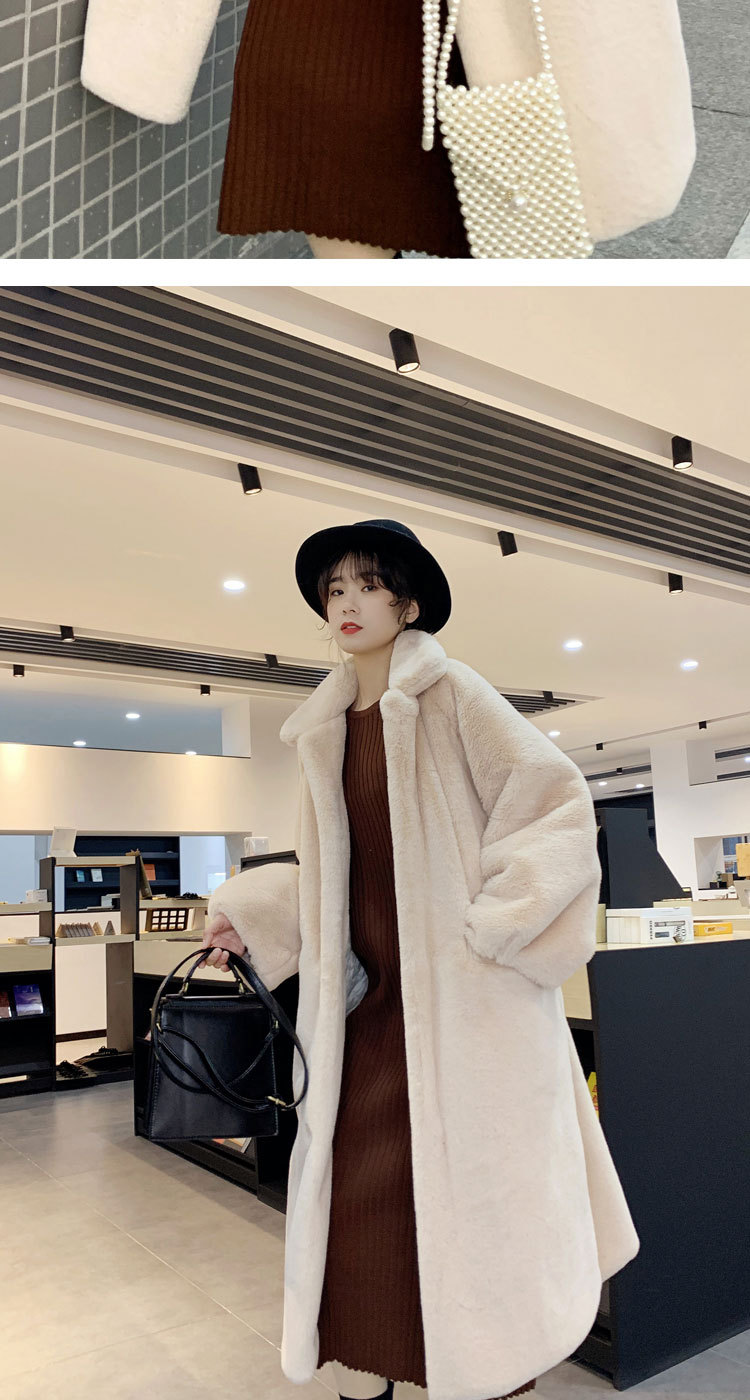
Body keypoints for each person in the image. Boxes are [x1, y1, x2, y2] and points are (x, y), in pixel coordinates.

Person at [202, 518, 639, 1400]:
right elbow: (332, 869)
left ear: (407, 603)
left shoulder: (452, 693)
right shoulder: (322, 728)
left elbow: (555, 809)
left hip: (464, 1009)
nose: (348, 603)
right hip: (366, 1014)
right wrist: (255, 915)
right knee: (360, 1216)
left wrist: (494, 932)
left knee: (480, 1212)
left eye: (367, 585)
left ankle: (491, 1373)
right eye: (335, 589)